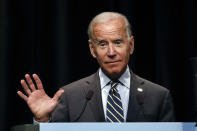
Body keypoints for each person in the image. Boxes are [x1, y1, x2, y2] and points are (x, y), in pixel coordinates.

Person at [17, 12, 175, 122]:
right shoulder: (70, 96)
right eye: (102, 44)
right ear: (92, 49)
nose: (111, 52)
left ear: (131, 45)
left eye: (118, 42)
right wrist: (42, 121)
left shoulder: (158, 96)